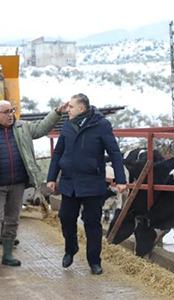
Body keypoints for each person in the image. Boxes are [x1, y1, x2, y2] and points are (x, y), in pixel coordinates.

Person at [0, 100, 64, 270]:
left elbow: (42, 127)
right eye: (6, 112)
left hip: (18, 183)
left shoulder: (22, 127)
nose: (10, 114)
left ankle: (7, 255)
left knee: (12, 219)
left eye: (12, 110)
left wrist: (56, 112)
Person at [47, 93, 126, 275]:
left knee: (92, 223)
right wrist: (52, 178)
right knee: (66, 218)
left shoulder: (101, 125)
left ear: (81, 109)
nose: (67, 110)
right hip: (69, 182)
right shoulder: (68, 125)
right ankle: (71, 248)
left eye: (70, 107)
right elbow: (58, 153)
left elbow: (114, 153)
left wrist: (121, 180)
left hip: (92, 182)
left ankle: (94, 261)